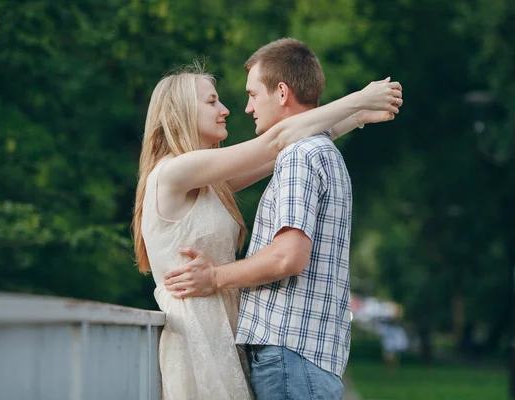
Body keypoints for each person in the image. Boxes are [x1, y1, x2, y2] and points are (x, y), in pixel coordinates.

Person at [133, 56, 402, 399]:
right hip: (196, 333)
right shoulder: (173, 173)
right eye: (213, 101)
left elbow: (285, 150)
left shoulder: (209, 183)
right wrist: (359, 99)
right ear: (181, 111)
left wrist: (353, 120)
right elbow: (276, 143)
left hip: (223, 332)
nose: (228, 109)